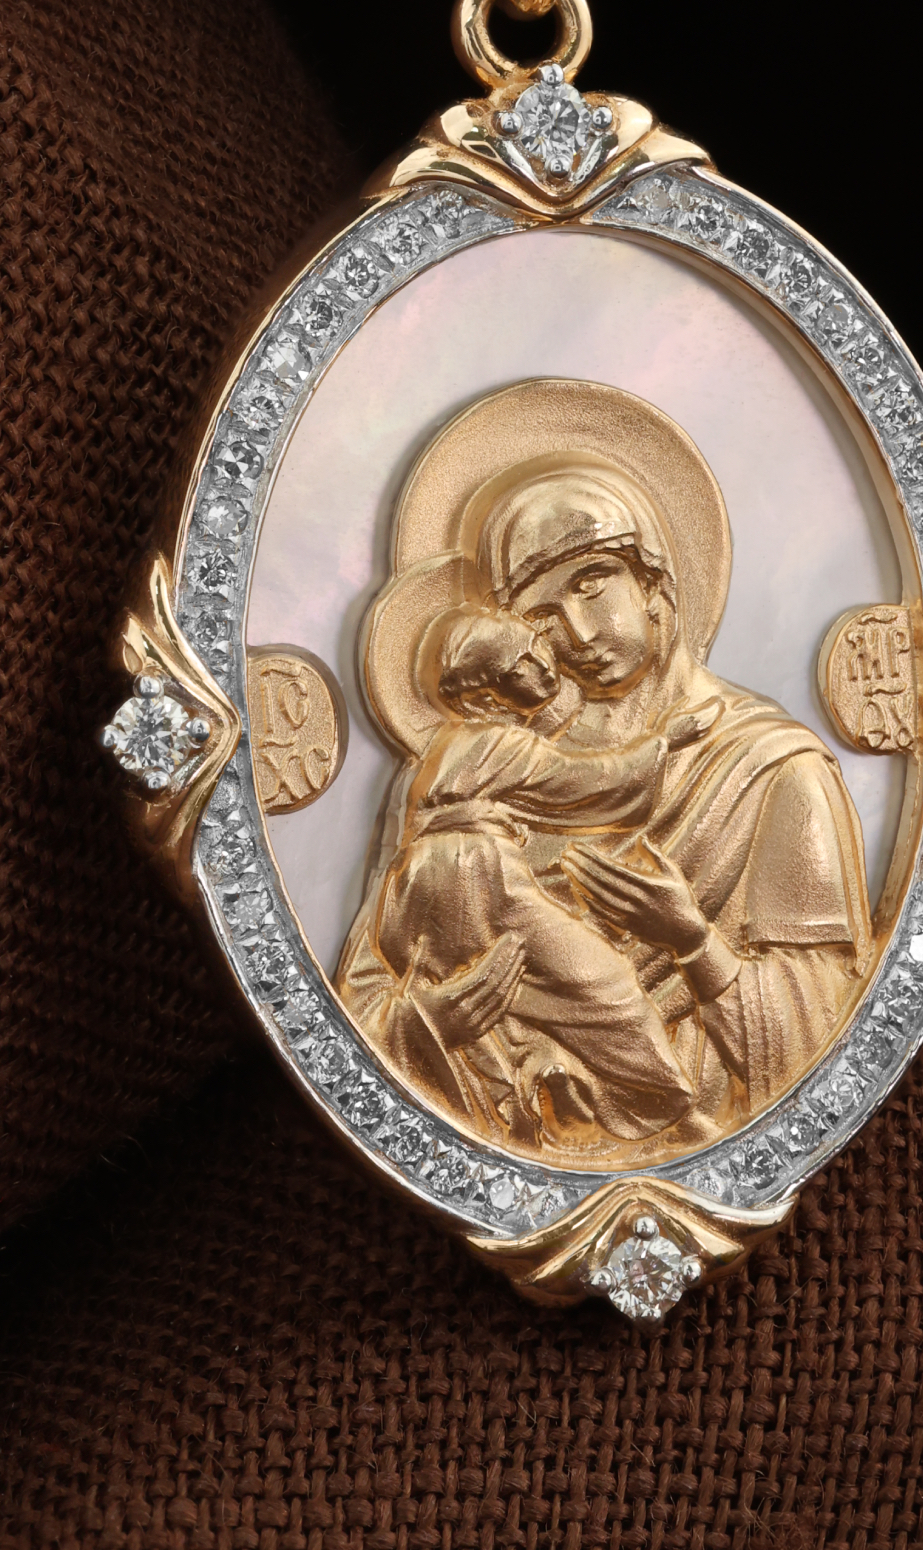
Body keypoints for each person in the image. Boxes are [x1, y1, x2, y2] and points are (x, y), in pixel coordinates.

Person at [480, 464, 874, 1138]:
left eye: (591, 584)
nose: (577, 632)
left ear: (653, 581)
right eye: (542, 615)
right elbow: (394, 967)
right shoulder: (512, 769)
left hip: (705, 1126)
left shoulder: (773, 770)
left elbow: (817, 1033)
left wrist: (690, 940)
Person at [340, 606, 718, 1148]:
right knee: (604, 981)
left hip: (426, 880)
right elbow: (586, 782)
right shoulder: (497, 740)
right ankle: (658, 1099)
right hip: (476, 876)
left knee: (508, 987)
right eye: (521, 662)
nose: (544, 664)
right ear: (487, 692)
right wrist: (664, 742)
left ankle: (545, 1068)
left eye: (536, 646)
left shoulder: (457, 747)